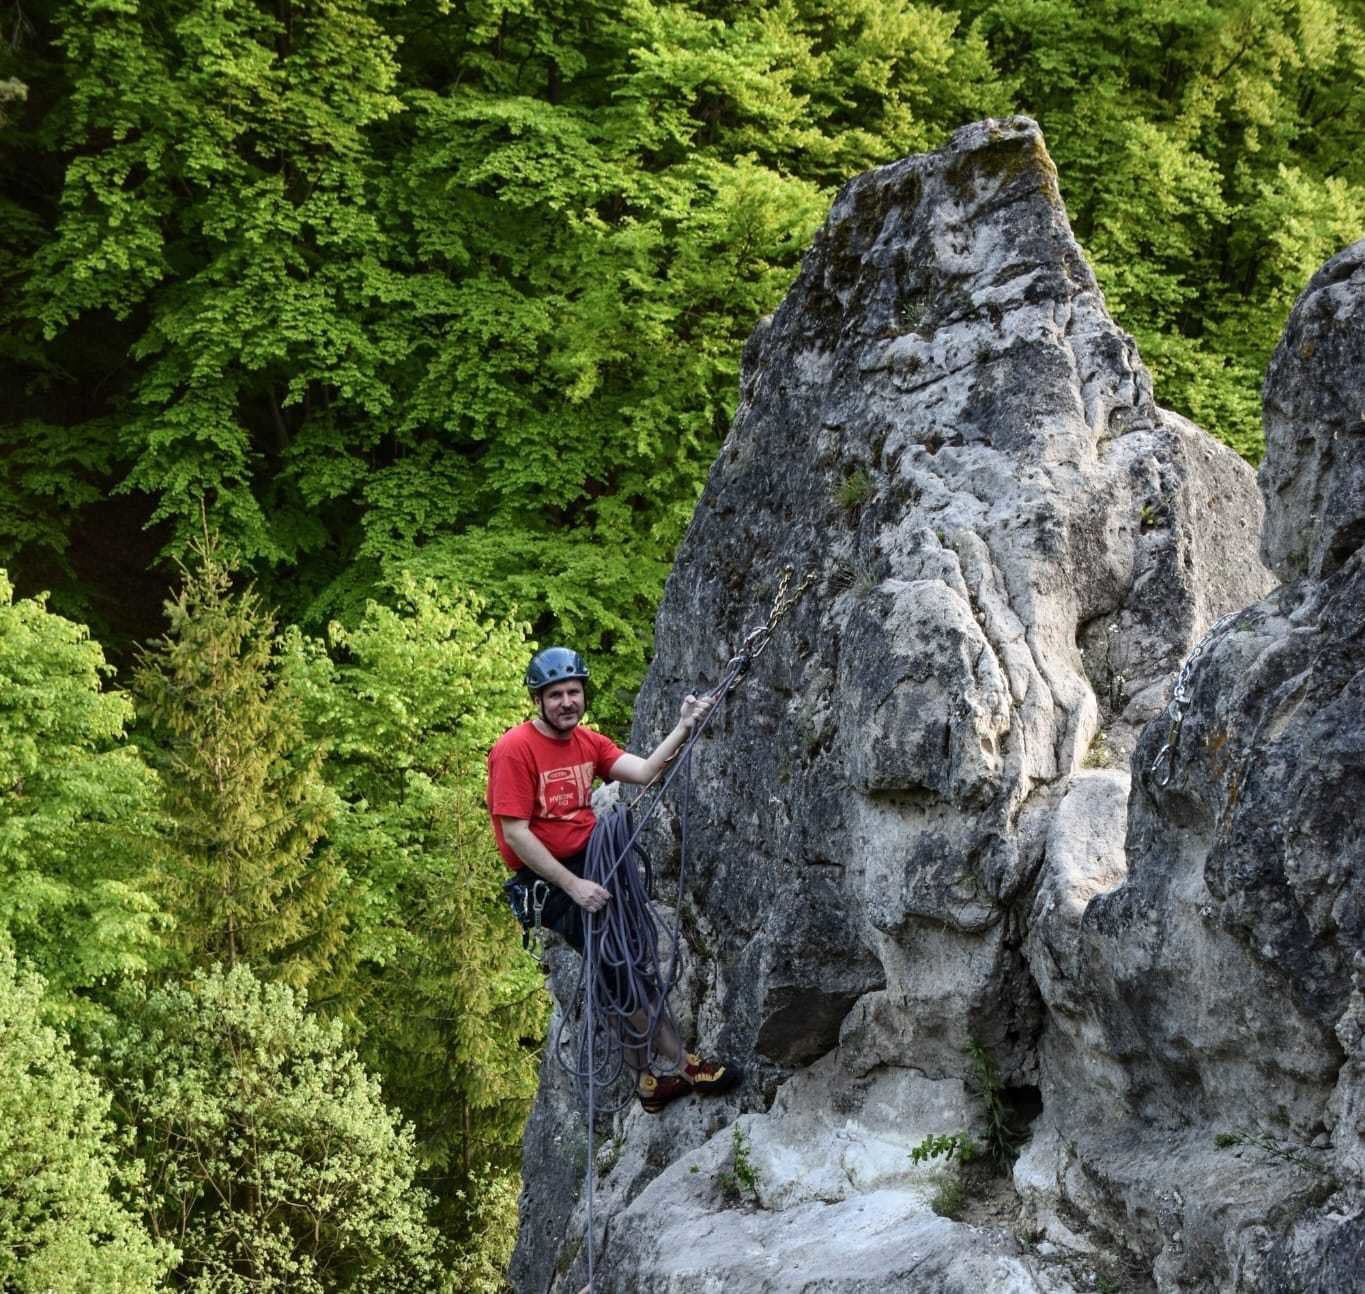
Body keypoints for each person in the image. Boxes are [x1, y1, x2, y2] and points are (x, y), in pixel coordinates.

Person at [487, 645, 741, 1113]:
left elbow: (645, 772)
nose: (567, 702)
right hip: (554, 881)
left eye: (574, 692)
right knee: (621, 971)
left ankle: (646, 1081)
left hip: (594, 864)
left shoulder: (588, 743)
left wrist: (683, 726)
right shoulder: (514, 749)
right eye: (556, 694)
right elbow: (516, 833)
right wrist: (572, 885)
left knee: (624, 968)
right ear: (538, 701)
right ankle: (686, 1066)